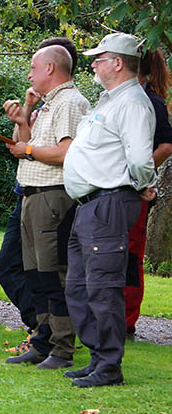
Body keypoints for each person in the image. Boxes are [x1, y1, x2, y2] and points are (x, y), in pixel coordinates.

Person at [64, 32, 157, 387]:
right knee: (79, 285)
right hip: (90, 204)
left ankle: (109, 365)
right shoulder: (108, 100)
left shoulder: (131, 102)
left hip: (108, 202)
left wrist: (142, 183)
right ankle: (98, 356)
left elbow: (138, 157)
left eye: (99, 58)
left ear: (118, 63)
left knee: (102, 286)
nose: (93, 64)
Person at [2, 45, 89, 370]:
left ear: (50, 69)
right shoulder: (49, 104)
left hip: (53, 194)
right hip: (32, 193)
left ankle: (62, 347)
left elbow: (67, 153)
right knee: (36, 273)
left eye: (33, 67)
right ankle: (42, 340)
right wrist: (25, 117)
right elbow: (25, 148)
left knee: (53, 273)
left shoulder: (69, 103)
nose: (29, 74)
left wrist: (29, 148)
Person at [124, 49, 172, 337]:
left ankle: (127, 321)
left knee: (130, 256)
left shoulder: (151, 102)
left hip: (137, 191)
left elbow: (166, 146)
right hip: (122, 191)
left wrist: (138, 172)